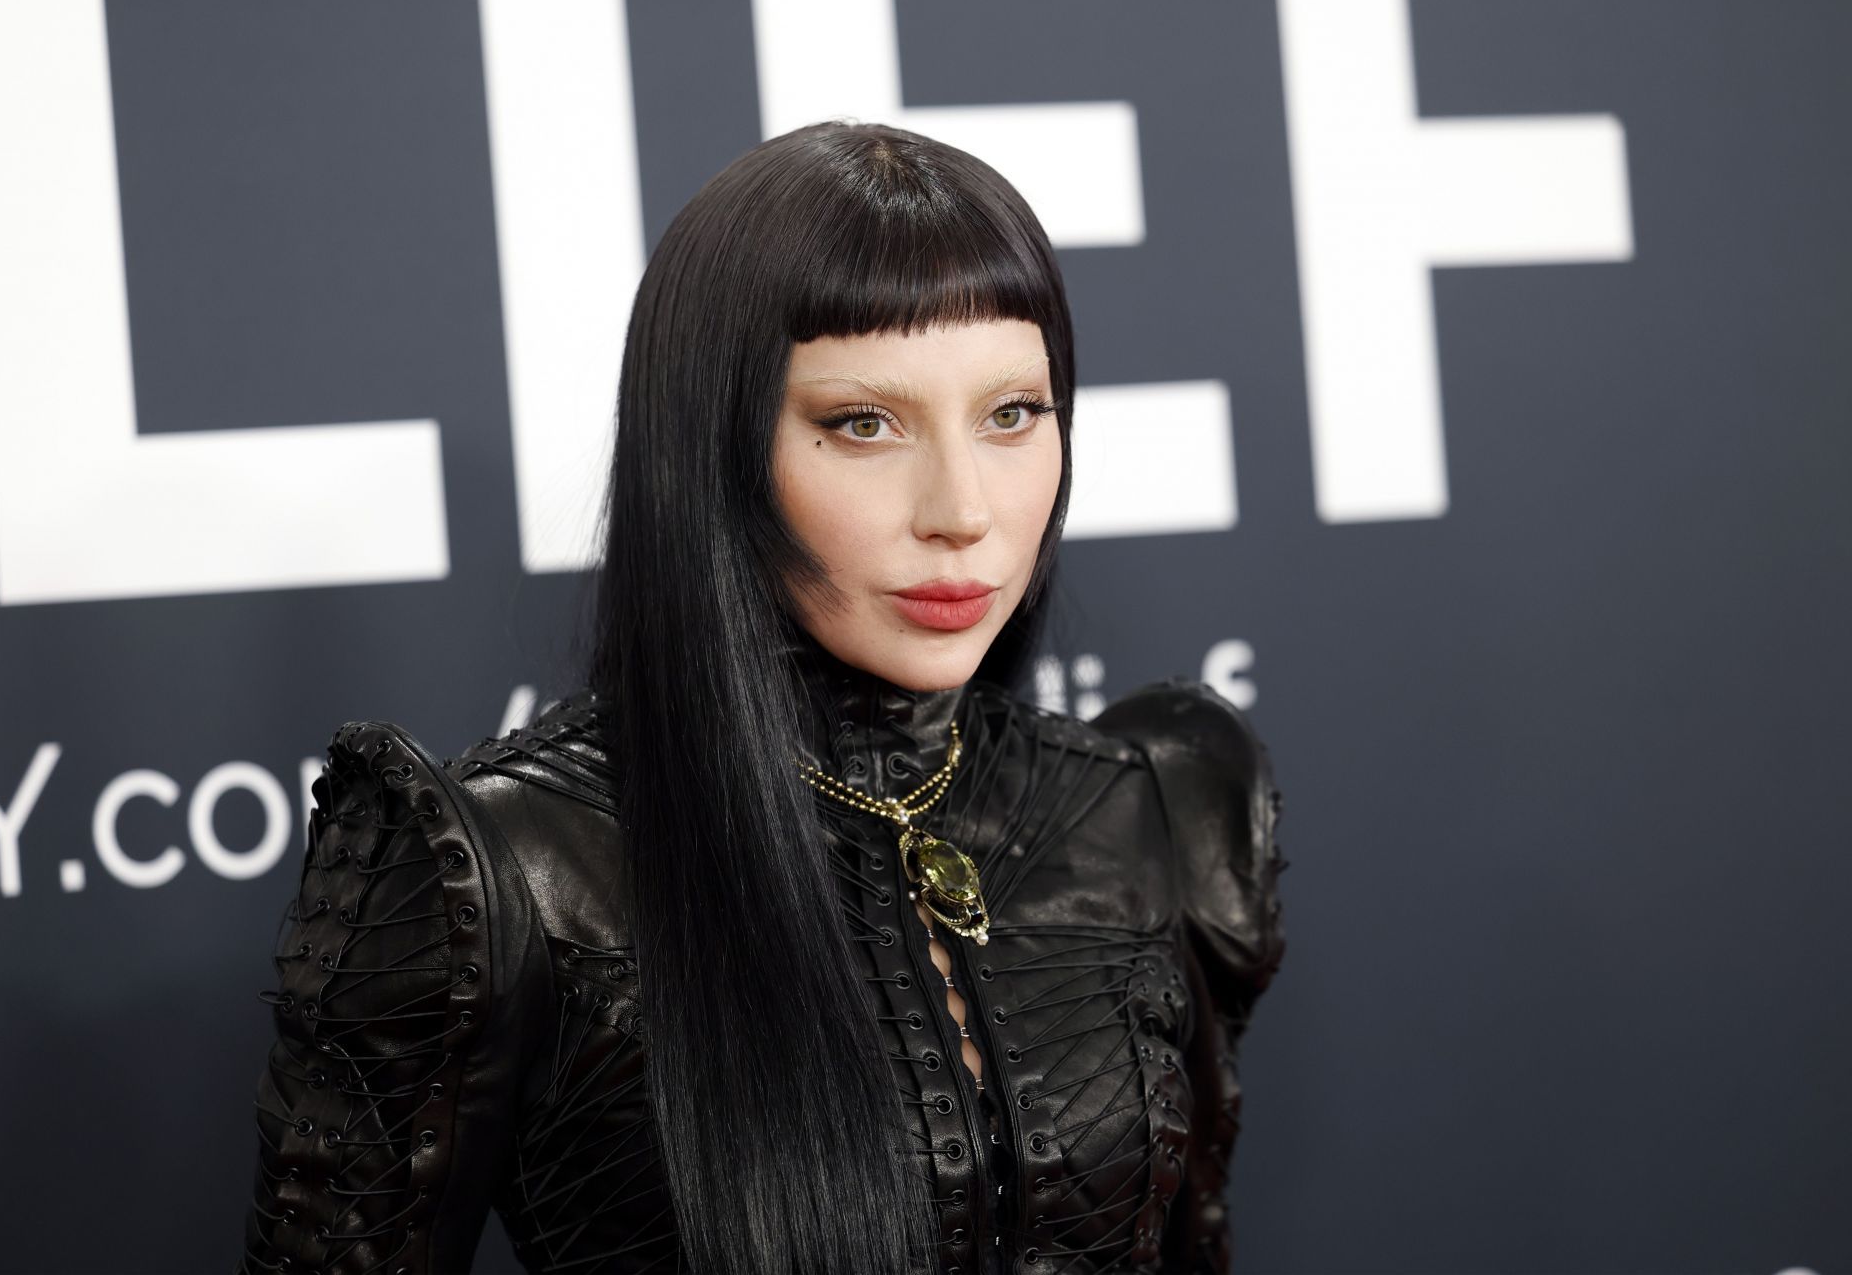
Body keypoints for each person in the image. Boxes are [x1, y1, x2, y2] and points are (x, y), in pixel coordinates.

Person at [234, 119, 1289, 1275]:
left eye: (1012, 415)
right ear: (716, 448)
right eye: (864, 424)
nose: (963, 509)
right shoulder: (506, 871)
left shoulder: (1148, 809)